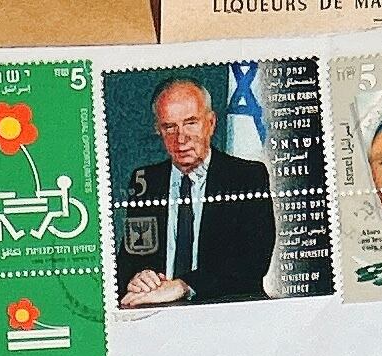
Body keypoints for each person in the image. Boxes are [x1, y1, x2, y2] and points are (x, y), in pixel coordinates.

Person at [118, 77, 275, 309]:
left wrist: (184, 285)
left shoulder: (246, 177)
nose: (181, 139)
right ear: (158, 130)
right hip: (159, 316)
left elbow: (252, 263)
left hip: (229, 312)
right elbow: (130, 258)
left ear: (210, 123)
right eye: (169, 127)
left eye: (191, 123)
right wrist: (139, 277)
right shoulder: (146, 181)